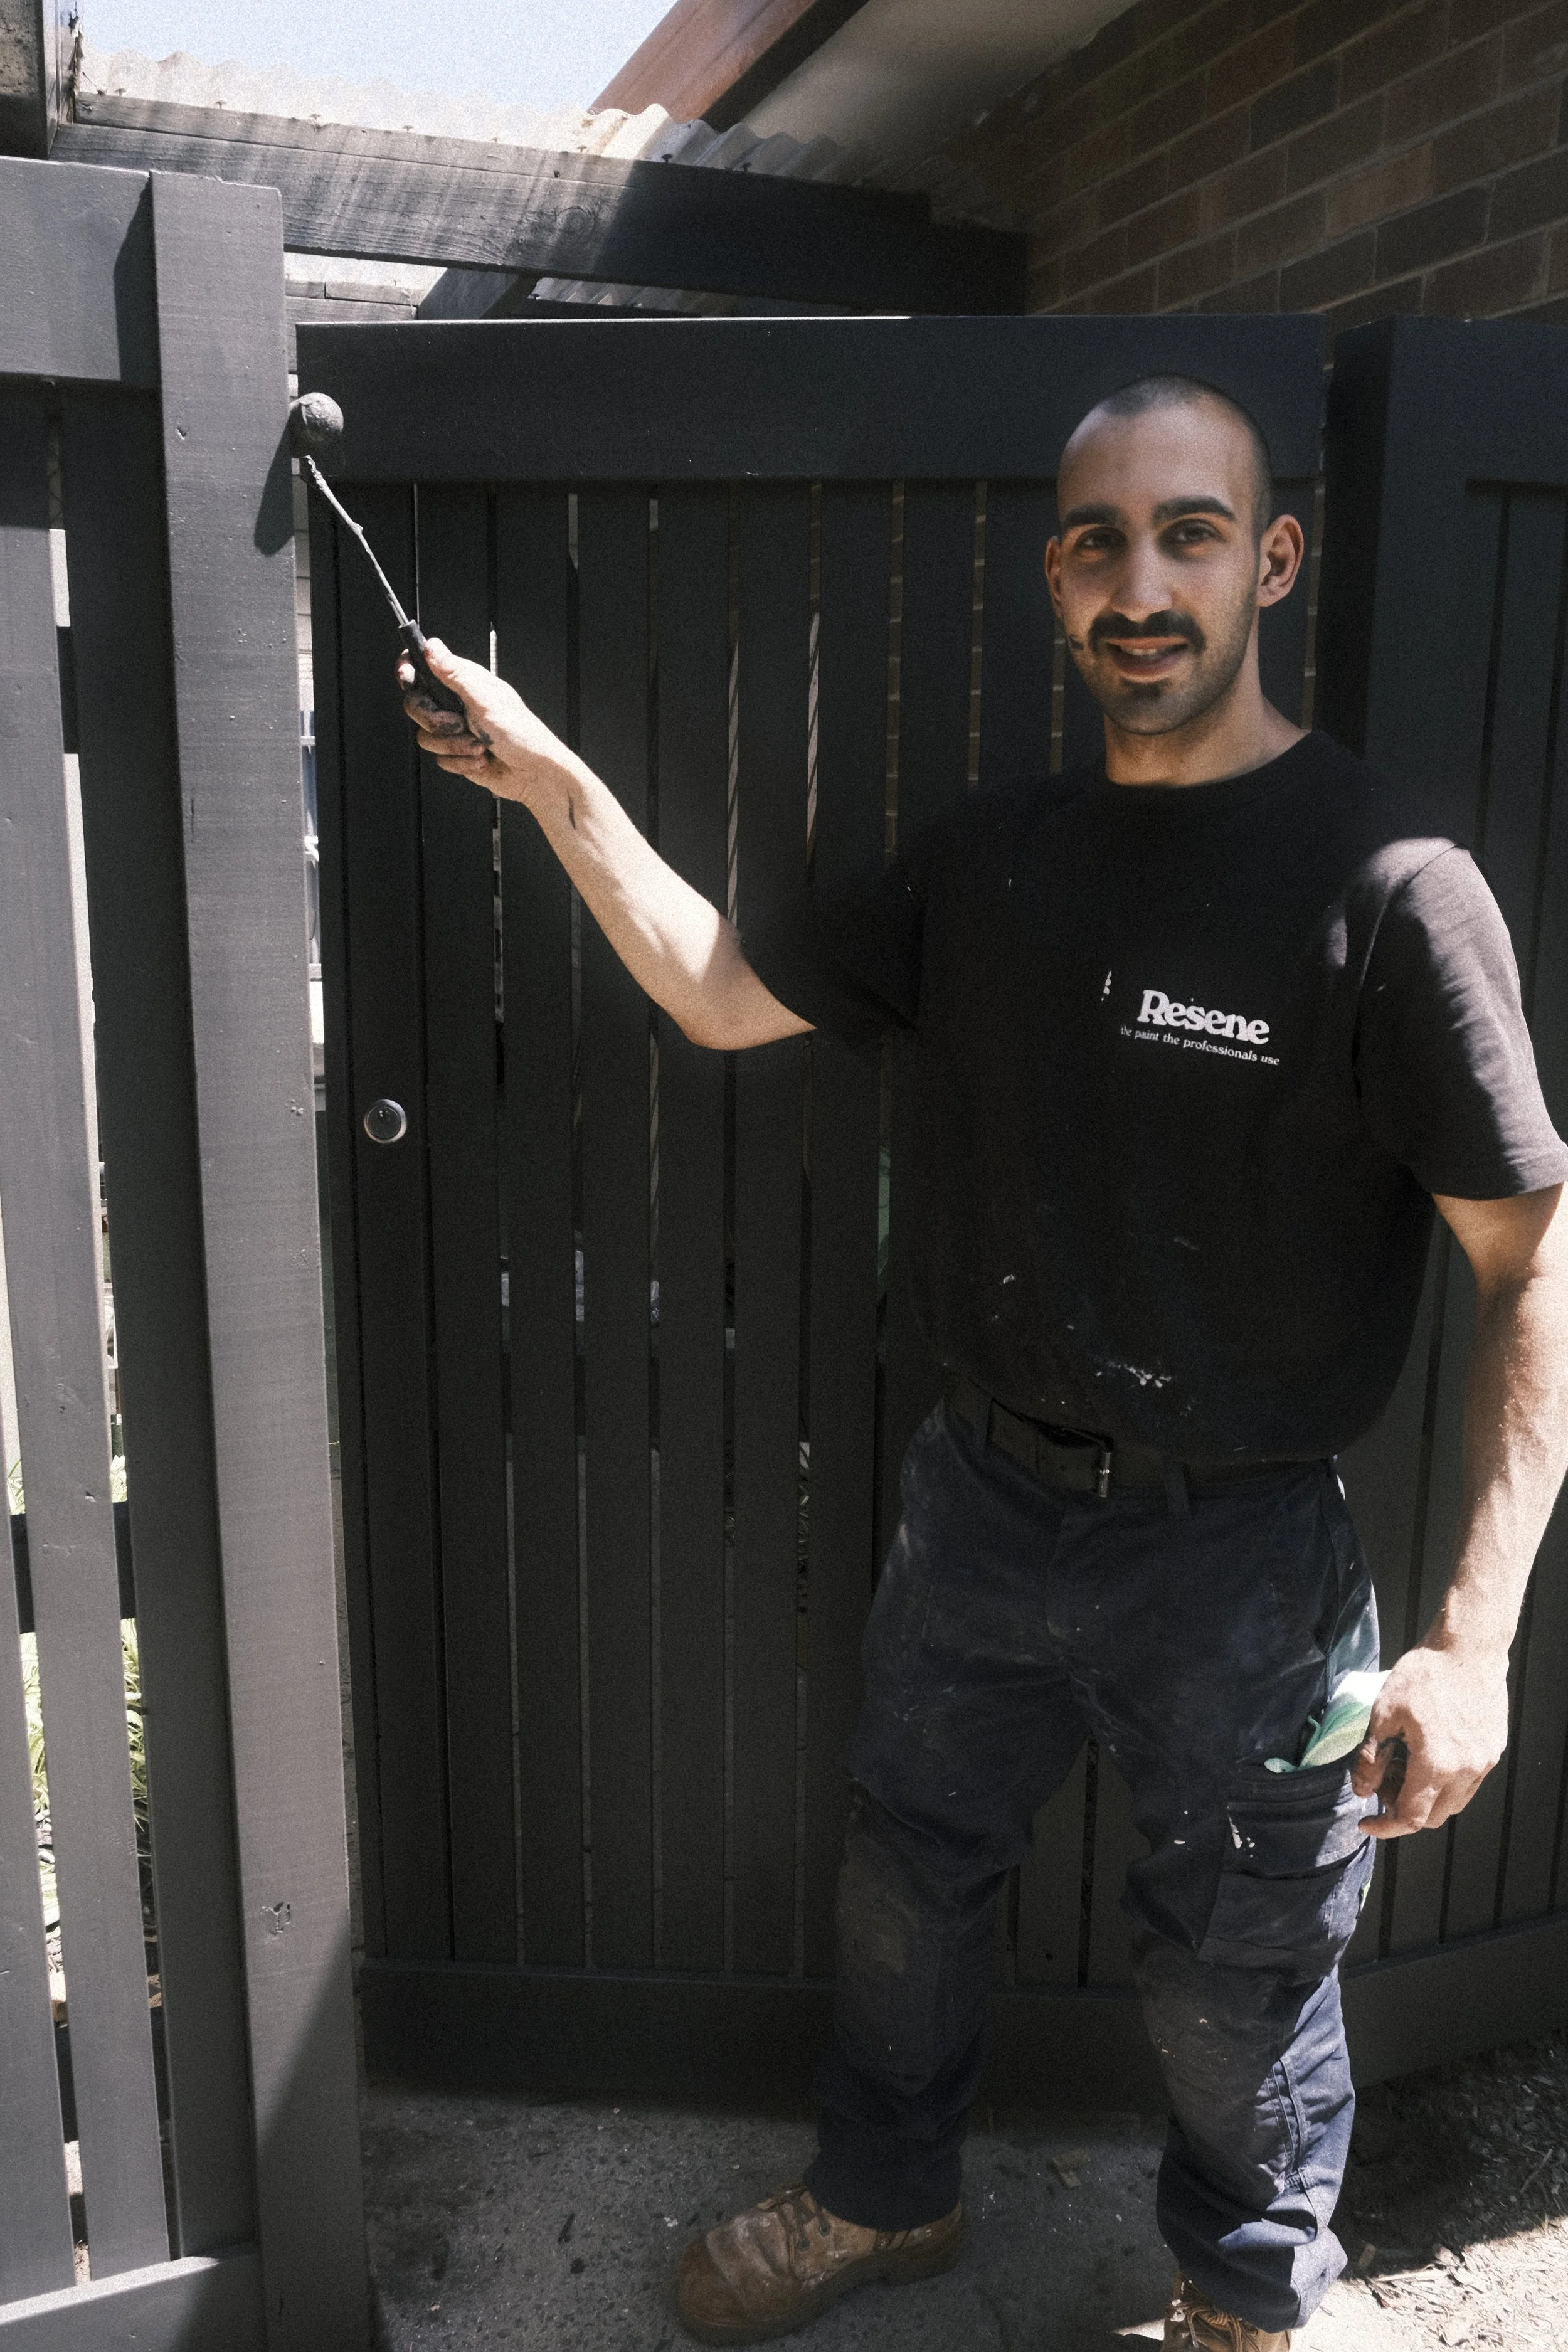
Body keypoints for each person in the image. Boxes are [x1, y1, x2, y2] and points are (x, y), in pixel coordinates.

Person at [400, 375, 1568, 2352]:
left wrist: (1472, 1639)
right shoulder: (980, 860)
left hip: (1248, 1559)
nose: (1140, 582)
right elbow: (708, 988)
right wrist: (544, 779)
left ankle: (1250, 2293)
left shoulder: (1389, 884)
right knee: (904, 1880)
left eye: (1187, 532)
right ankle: (884, 2194)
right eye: (1097, 539)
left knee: (1240, 1968)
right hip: (981, 1501)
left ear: (1268, 559)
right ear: (1053, 574)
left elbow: (1531, 1257)